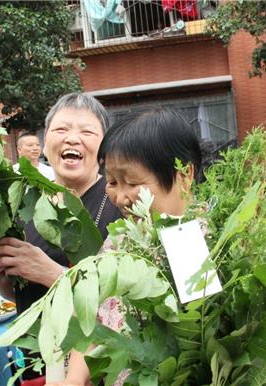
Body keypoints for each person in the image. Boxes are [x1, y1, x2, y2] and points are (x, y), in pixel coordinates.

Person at [47, 106, 202, 386]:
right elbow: (92, 318)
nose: (120, 197)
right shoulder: (121, 238)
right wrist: (73, 379)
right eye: (112, 182)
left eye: (131, 182)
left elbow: (201, 348)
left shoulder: (189, 244)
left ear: (184, 175)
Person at [0, 93, 122, 382]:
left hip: (94, 367)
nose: (72, 139)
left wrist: (53, 274)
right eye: (61, 130)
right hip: (34, 359)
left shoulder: (118, 204)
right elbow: (19, 292)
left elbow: (122, 305)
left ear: (104, 146)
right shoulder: (22, 202)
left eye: (87, 131)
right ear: (45, 144)